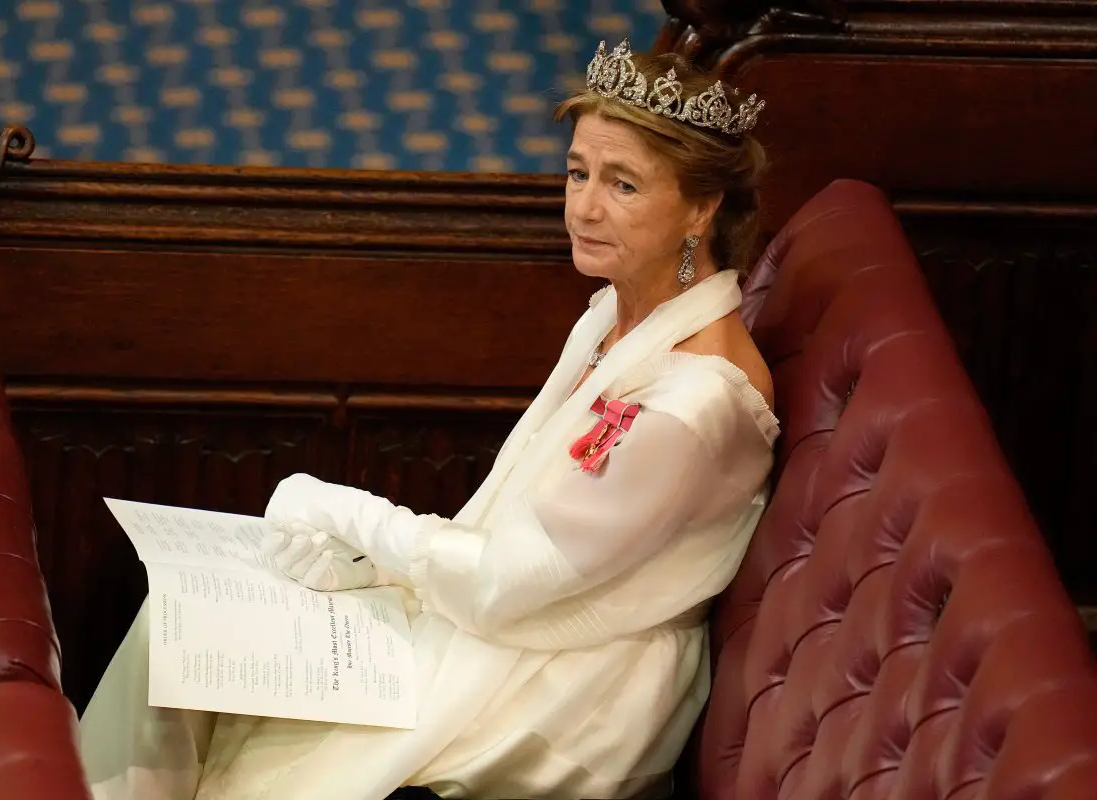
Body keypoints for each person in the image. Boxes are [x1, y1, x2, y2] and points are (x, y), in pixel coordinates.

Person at [79, 39, 779, 800]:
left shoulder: (694, 404)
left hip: (564, 688)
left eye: (624, 185)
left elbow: (512, 582)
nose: (583, 206)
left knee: (203, 673)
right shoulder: (621, 308)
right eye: (578, 172)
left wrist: (347, 514)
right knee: (179, 623)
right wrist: (370, 561)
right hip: (507, 614)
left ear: (702, 207)